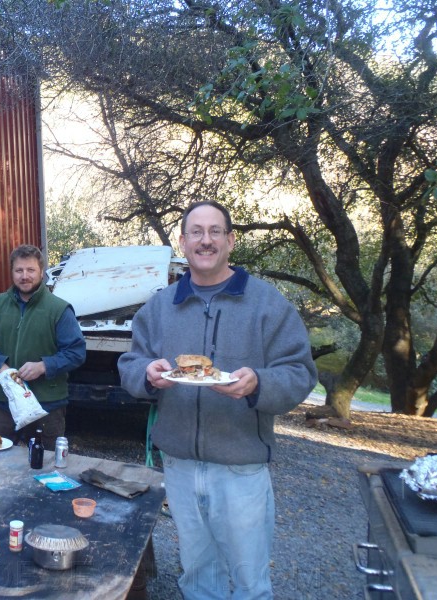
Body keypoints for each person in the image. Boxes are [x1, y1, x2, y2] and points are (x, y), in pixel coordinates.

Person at [118, 201, 317, 599]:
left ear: (230, 240)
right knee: (197, 574)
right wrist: (148, 375)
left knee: (249, 581)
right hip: (179, 465)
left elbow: (300, 372)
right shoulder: (161, 306)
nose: (205, 240)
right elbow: (130, 362)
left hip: (241, 467)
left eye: (214, 232)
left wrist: (258, 383)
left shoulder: (266, 303)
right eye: (196, 232)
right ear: (183, 241)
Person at [0, 244, 86, 450]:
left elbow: (76, 353)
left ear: (41, 272)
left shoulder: (59, 309)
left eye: (30, 270)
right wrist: (4, 371)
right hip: (4, 403)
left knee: (45, 466)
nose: (24, 276)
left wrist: (44, 366)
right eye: (19, 270)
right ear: (12, 272)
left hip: (47, 406)